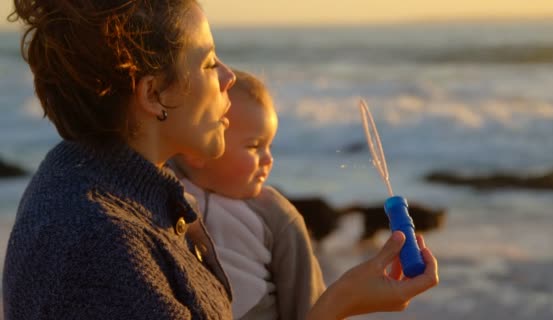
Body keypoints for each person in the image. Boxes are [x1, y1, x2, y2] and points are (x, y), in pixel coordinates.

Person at [2, 0, 439, 319]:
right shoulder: (99, 242)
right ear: (154, 95)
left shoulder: (99, 185)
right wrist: (339, 304)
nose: (229, 77)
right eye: (209, 62)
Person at [170, 69, 325, 320]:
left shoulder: (277, 216)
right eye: (254, 146)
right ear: (196, 148)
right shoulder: (163, 187)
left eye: (270, 146)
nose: (268, 159)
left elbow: (307, 301)